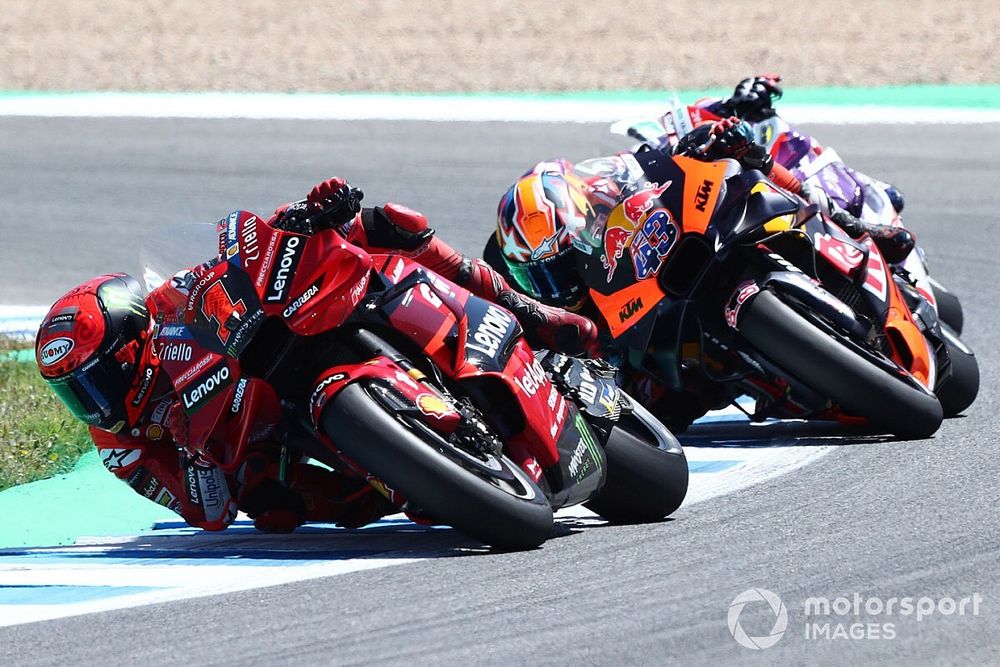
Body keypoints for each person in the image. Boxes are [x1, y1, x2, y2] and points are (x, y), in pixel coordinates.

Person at [35, 178, 598, 534]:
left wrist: (303, 216)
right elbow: (205, 513)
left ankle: (529, 315)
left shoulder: (168, 299)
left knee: (389, 227)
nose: (93, 403)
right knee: (279, 508)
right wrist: (202, 459)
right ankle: (410, 471)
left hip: (281, 346)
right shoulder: (120, 449)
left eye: (96, 380)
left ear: (133, 340)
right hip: (261, 439)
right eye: (74, 394)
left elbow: (243, 254)